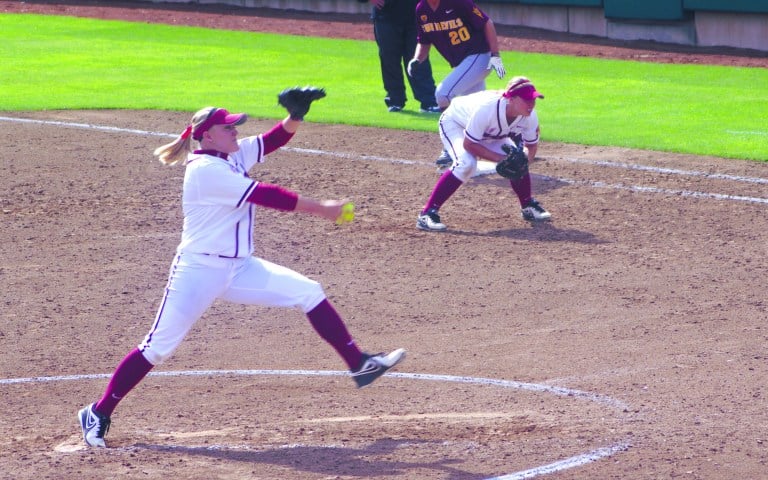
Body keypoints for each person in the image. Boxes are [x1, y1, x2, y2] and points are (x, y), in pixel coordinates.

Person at [77, 89, 406, 448]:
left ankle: (359, 363)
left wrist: (295, 116)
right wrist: (322, 208)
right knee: (157, 347)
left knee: (308, 291)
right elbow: (267, 195)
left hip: (240, 268)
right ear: (206, 135)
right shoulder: (205, 171)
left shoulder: (229, 155)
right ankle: (99, 411)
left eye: (235, 127)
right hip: (198, 272)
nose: (236, 132)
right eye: (229, 128)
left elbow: (271, 140)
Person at [416, 76, 551, 232]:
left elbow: (531, 146)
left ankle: (528, 206)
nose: (531, 104)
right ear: (511, 99)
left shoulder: (529, 115)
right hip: (456, 124)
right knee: (466, 164)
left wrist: (523, 162)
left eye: (533, 99)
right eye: (526, 100)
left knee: (518, 159)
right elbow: (469, 144)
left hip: (491, 134)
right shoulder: (487, 108)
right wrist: (500, 159)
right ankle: (427, 214)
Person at [407, 0, 507, 168]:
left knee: (443, 94)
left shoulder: (457, 2)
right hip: (464, 64)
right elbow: (424, 41)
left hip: (480, 57)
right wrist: (417, 59)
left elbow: (486, 22)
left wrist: (495, 54)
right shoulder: (421, 9)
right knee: (478, 112)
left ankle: (450, 145)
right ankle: (511, 143)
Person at [361, 0, 442, 113]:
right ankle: (395, 100)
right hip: (386, 15)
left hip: (415, 15)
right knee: (389, 59)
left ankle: (429, 101)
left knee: (418, 59)